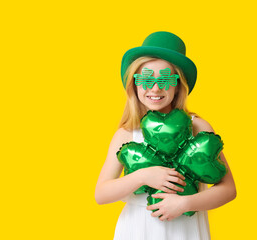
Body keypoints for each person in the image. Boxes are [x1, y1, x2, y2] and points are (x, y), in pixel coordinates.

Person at [94, 31, 236, 240]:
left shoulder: (197, 126)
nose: (155, 88)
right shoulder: (127, 133)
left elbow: (228, 189)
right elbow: (101, 194)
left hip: (186, 229)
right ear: (134, 83)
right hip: (137, 229)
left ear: (178, 84)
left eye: (166, 79)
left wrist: (186, 203)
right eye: (145, 78)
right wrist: (143, 175)